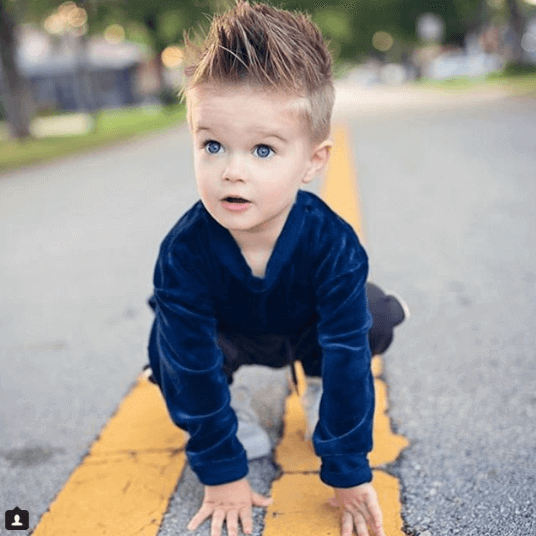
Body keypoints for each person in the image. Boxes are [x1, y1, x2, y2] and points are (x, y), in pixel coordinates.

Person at [145, 2, 409, 535]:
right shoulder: (183, 251)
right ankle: (231, 408)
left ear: (312, 160)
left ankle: (312, 386)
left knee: (370, 315)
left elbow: (348, 354)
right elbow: (192, 364)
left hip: (304, 331)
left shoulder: (332, 243)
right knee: (171, 352)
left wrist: (348, 468)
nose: (232, 172)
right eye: (212, 145)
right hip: (231, 336)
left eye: (263, 150)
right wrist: (221, 473)